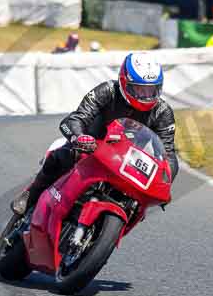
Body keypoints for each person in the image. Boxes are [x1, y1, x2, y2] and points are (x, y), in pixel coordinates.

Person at [13, 52, 179, 215]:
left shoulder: (163, 112)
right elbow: (74, 119)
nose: (146, 96)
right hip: (90, 148)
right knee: (63, 156)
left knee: (137, 206)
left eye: (151, 90)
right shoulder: (107, 91)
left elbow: (168, 154)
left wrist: (164, 183)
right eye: (139, 89)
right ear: (124, 82)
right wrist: (79, 138)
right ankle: (31, 194)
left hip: (125, 164)